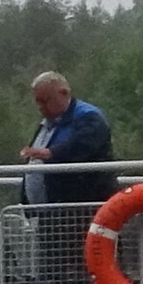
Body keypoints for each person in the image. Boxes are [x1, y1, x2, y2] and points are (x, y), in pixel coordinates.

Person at [23, 72, 117, 205]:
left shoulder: (89, 116)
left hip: (82, 206)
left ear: (64, 93)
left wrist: (50, 153)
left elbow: (84, 146)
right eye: (38, 101)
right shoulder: (46, 123)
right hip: (48, 209)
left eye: (45, 100)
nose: (40, 107)